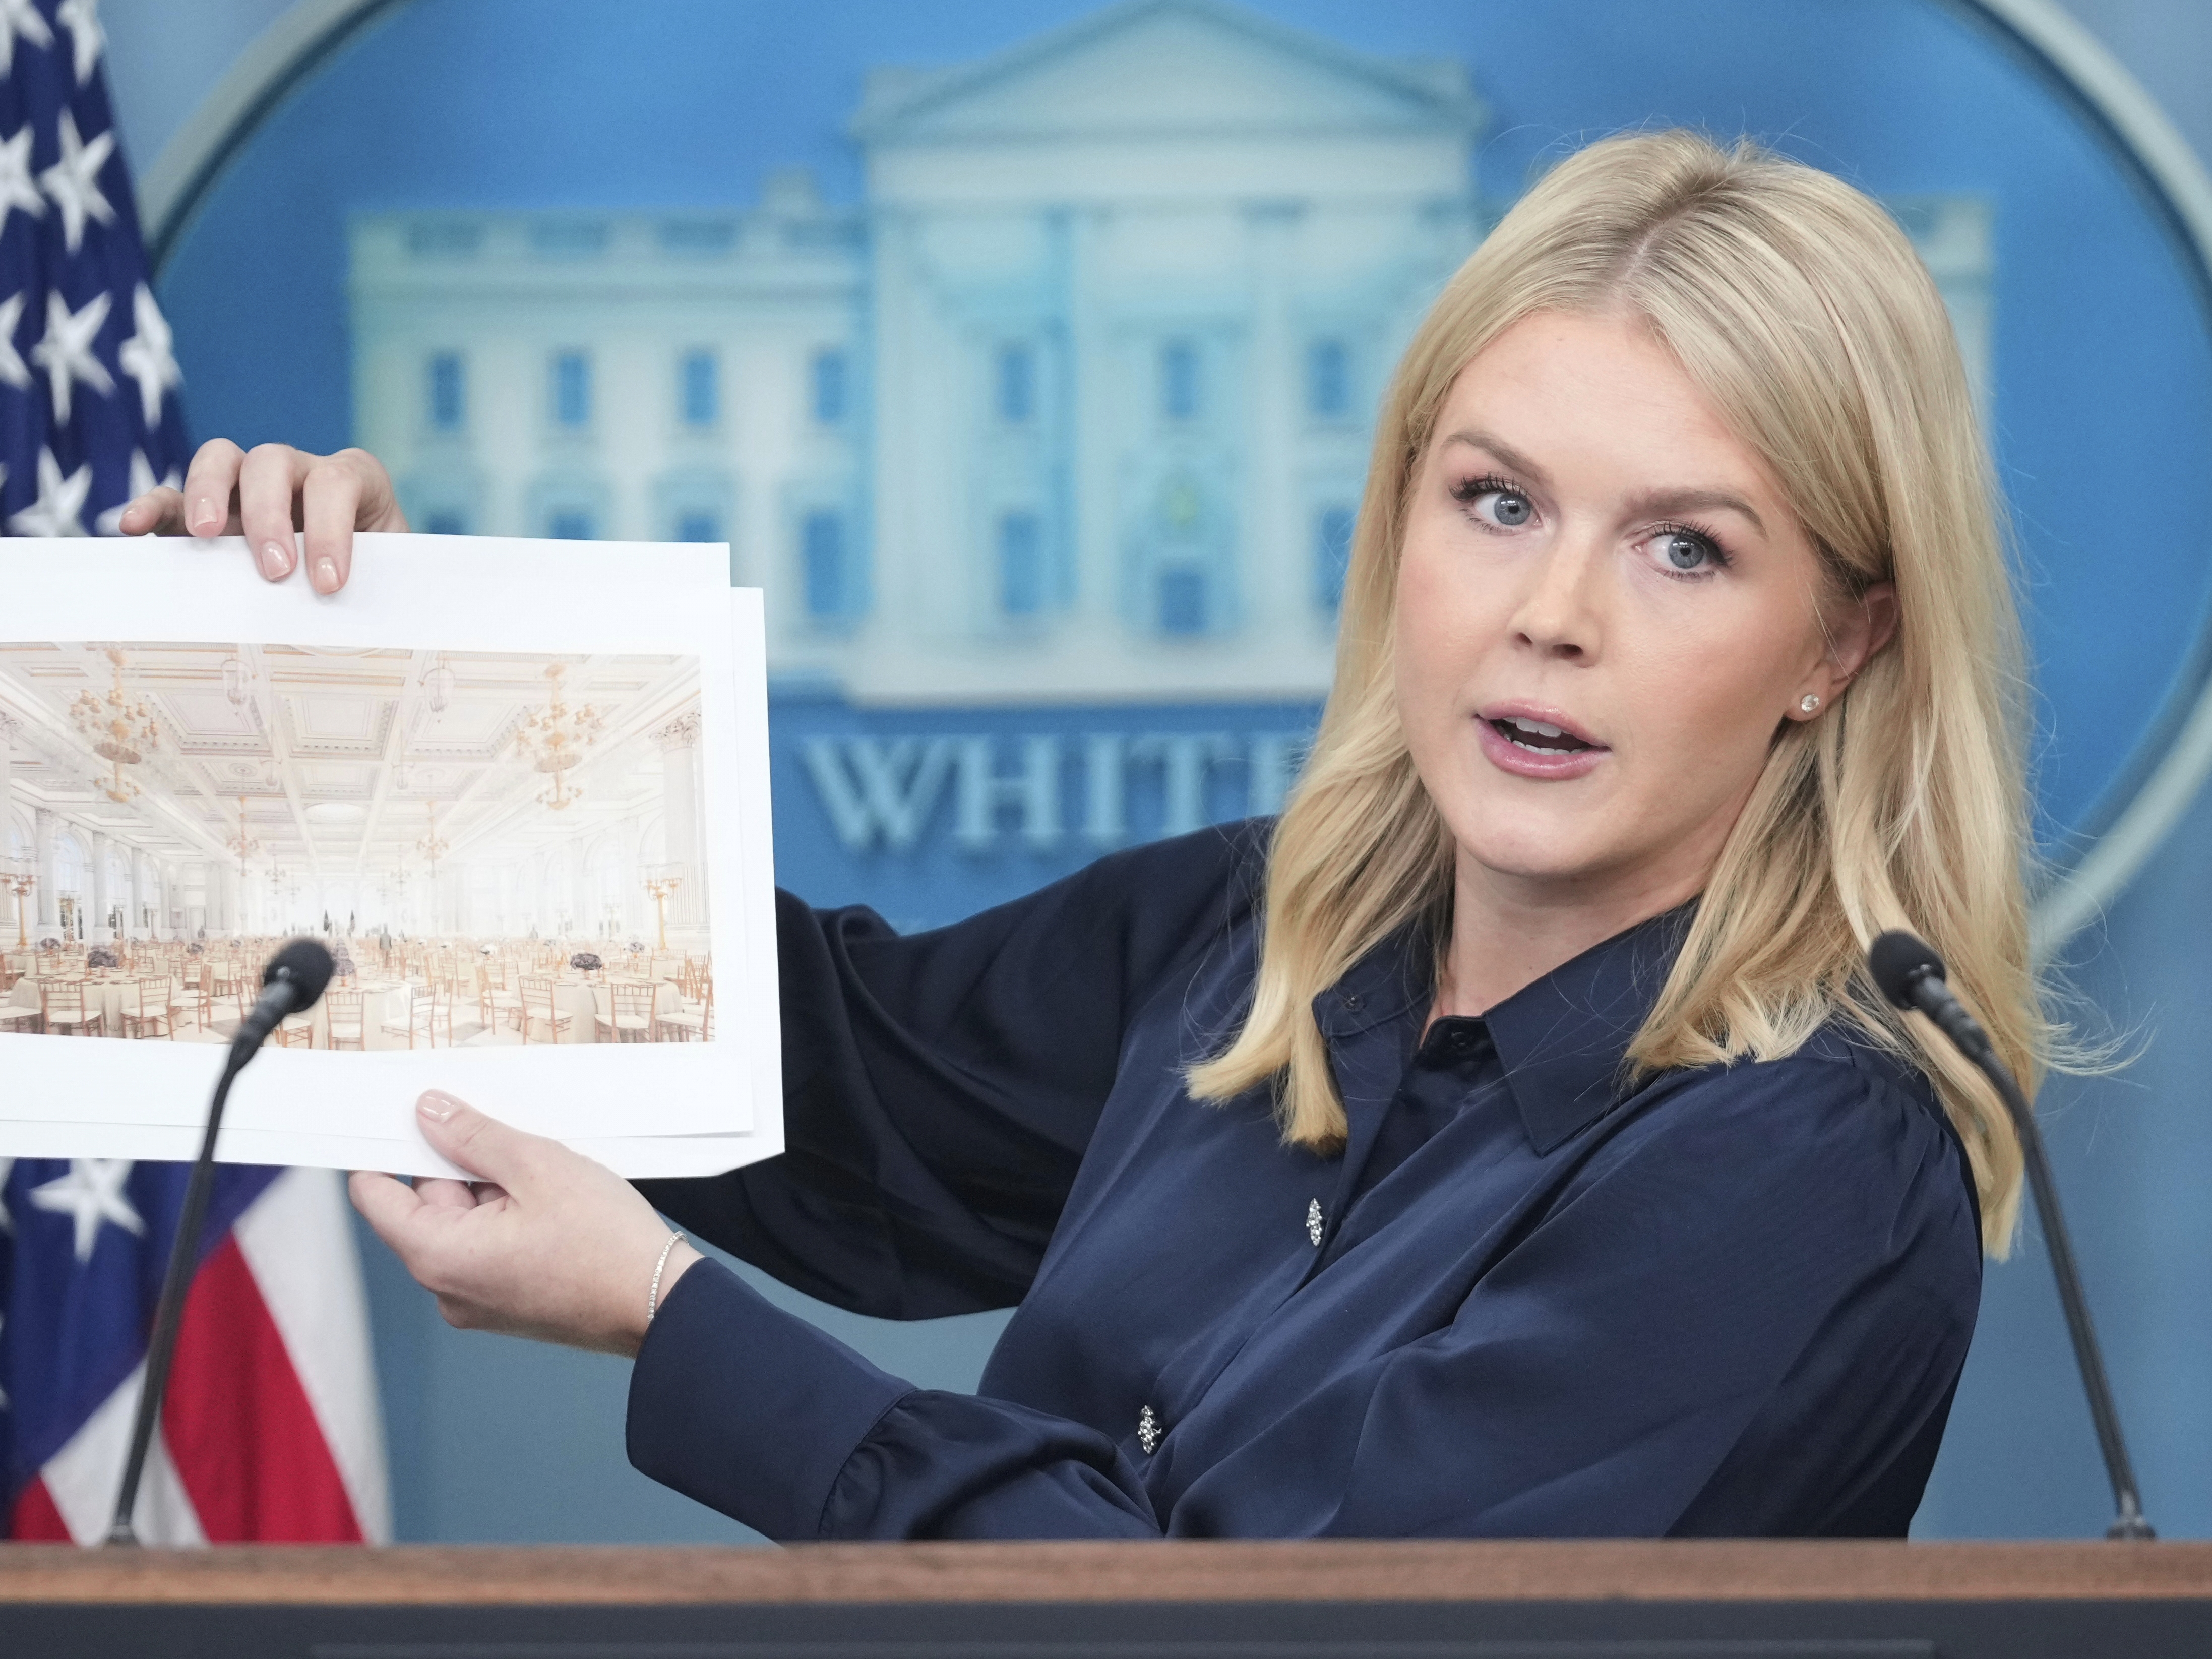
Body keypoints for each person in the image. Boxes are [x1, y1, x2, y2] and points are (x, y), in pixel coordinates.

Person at [121, 131, 2040, 1539]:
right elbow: (809, 1081)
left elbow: (1247, 1636)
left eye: (1683, 544)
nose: (1554, 611)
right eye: (1496, 500)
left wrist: (672, 1323)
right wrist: (343, 667)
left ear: (1842, 640)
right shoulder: (1257, 935)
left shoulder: (1810, 1150)